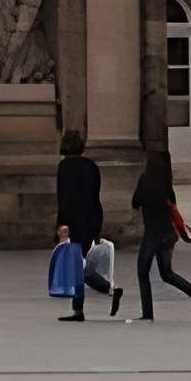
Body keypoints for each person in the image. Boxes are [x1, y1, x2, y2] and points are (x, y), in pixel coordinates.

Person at [130, 147, 191, 321]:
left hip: (152, 235)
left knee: (143, 272)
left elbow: (135, 201)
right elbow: (172, 204)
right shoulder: (165, 183)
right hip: (168, 235)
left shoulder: (145, 180)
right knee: (167, 274)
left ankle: (147, 314)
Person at [54, 128, 119, 320]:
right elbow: (95, 194)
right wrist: (98, 224)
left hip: (73, 220)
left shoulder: (64, 167)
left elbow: (63, 198)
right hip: (91, 218)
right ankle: (106, 292)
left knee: (76, 266)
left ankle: (81, 308)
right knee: (80, 265)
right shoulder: (91, 165)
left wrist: (61, 225)